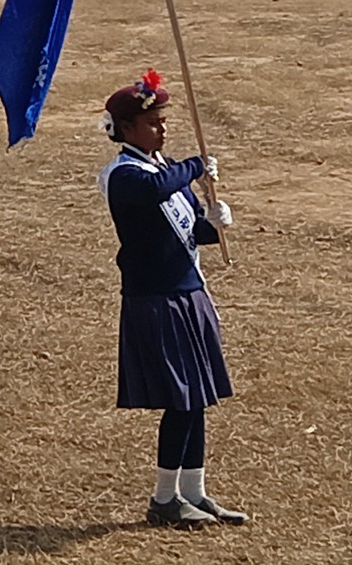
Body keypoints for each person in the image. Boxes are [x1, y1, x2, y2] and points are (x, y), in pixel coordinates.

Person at [100, 69, 245, 528]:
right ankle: (164, 499)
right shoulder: (124, 175)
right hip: (156, 300)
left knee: (198, 398)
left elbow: (185, 232)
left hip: (188, 293)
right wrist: (196, 166)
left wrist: (214, 224)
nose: (162, 129)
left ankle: (194, 492)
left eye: (164, 121)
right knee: (180, 400)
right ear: (126, 129)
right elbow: (152, 193)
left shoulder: (165, 171)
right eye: (153, 123)